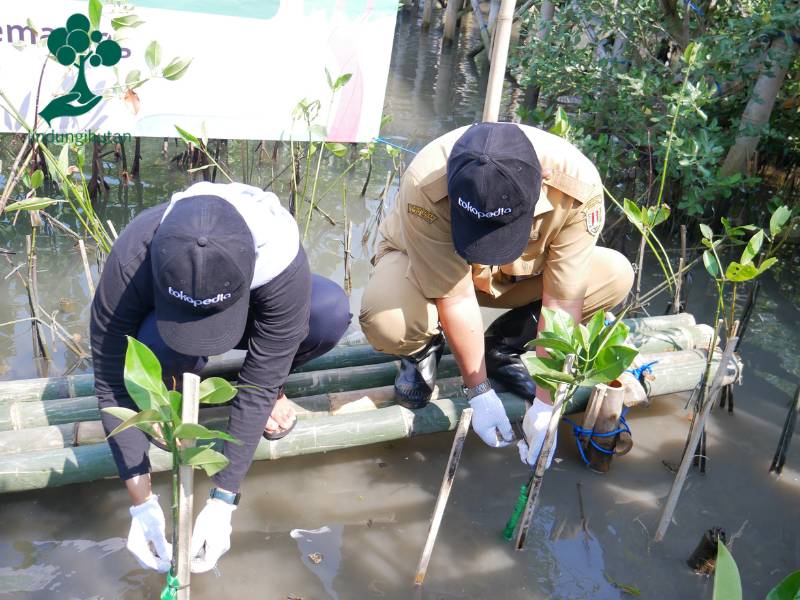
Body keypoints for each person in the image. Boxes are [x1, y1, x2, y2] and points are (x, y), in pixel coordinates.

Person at [91, 182, 351, 574]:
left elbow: (258, 382)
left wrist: (223, 501)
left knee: (327, 312)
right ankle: (170, 389)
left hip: (248, 300)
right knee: (147, 350)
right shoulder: (135, 255)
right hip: (164, 317)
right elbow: (110, 374)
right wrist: (141, 502)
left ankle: (278, 387)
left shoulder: (278, 254)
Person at [359, 122, 633, 466]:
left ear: (543, 179)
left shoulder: (577, 184)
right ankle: (421, 350)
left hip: (518, 278)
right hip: (436, 276)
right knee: (388, 321)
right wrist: (479, 392)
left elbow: (562, 302)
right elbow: (454, 297)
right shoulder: (426, 180)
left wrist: (545, 406)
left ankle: (504, 345)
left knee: (615, 275)